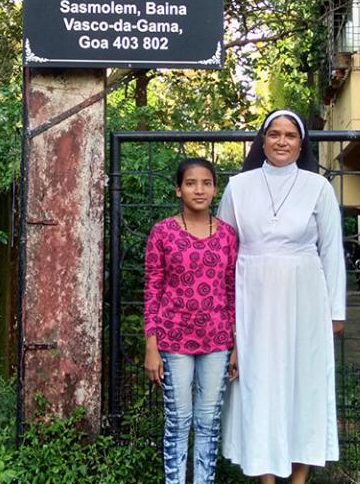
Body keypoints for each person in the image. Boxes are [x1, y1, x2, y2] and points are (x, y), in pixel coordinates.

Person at [218, 109, 346, 484]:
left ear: (300, 143)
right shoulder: (238, 187)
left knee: (303, 383)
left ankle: (300, 477)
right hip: (252, 299)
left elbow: (332, 253)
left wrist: (336, 311)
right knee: (259, 382)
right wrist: (224, 312)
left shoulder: (318, 187)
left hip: (304, 299)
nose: (282, 142)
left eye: (290, 135)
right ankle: (266, 477)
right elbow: (225, 251)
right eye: (274, 134)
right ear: (262, 140)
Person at [144, 157, 238, 484]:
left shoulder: (228, 235)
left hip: (217, 341)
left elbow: (231, 292)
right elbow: (153, 288)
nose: (199, 189)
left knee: (209, 421)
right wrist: (151, 346)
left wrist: (236, 346)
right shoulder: (162, 233)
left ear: (215, 189)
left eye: (206, 183)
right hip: (172, 341)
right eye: (190, 183)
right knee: (178, 420)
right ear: (178, 189)